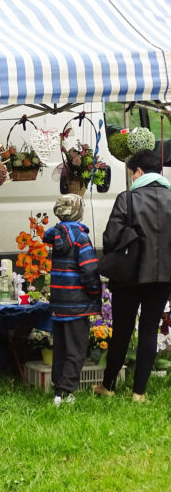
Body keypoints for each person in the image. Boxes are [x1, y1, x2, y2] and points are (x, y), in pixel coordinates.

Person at [94, 149, 171, 402]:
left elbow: (110, 238)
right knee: (150, 329)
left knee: (122, 331)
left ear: (138, 172)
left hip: (128, 276)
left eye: (131, 173)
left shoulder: (127, 199)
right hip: (163, 276)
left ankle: (108, 386)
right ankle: (139, 393)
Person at [42, 194, 102, 406]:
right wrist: (96, 292)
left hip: (59, 304)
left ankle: (58, 390)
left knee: (61, 350)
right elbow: (89, 270)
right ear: (79, 212)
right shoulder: (81, 238)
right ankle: (66, 392)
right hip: (77, 305)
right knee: (76, 351)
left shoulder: (56, 237)